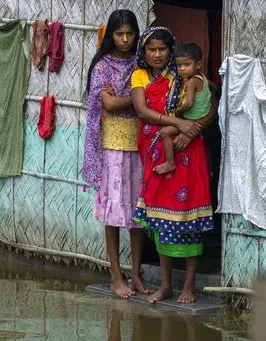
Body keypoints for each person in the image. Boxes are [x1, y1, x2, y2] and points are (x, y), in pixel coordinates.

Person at [131, 27, 217, 304]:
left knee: (189, 218)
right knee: (160, 218)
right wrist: (180, 125)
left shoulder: (187, 75)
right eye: (151, 49)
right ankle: (166, 285)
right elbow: (142, 110)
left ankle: (189, 285)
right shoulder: (141, 77)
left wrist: (193, 130)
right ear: (143, 52)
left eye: (163, 49)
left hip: (190, 153)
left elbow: (212, 104)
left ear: (172, 50)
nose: (157, 54)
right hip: (159, 154)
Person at [83, 9, 150, 299]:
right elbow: (107, 106)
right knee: (113, 213)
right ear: (110, 35)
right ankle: (115, 275)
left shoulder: (143, 64)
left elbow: (147, 99)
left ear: (137, 35)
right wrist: (135, 102)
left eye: (130, 33)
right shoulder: (101, 67)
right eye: (119, 34)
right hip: (112, 146)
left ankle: (135, 274)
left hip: (140, 145)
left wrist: (123, 101)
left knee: (138, 212)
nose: (124, 39)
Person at [154, 43, 212, 176]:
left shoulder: (191, 82)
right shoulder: (202, 79)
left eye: (186, 65)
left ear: (198, 65)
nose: (182, 69)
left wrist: (178, 111)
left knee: (165, 133)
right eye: (179, 65)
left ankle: (170, 163)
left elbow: (189, 103)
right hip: (200, 118)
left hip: (192, 119)